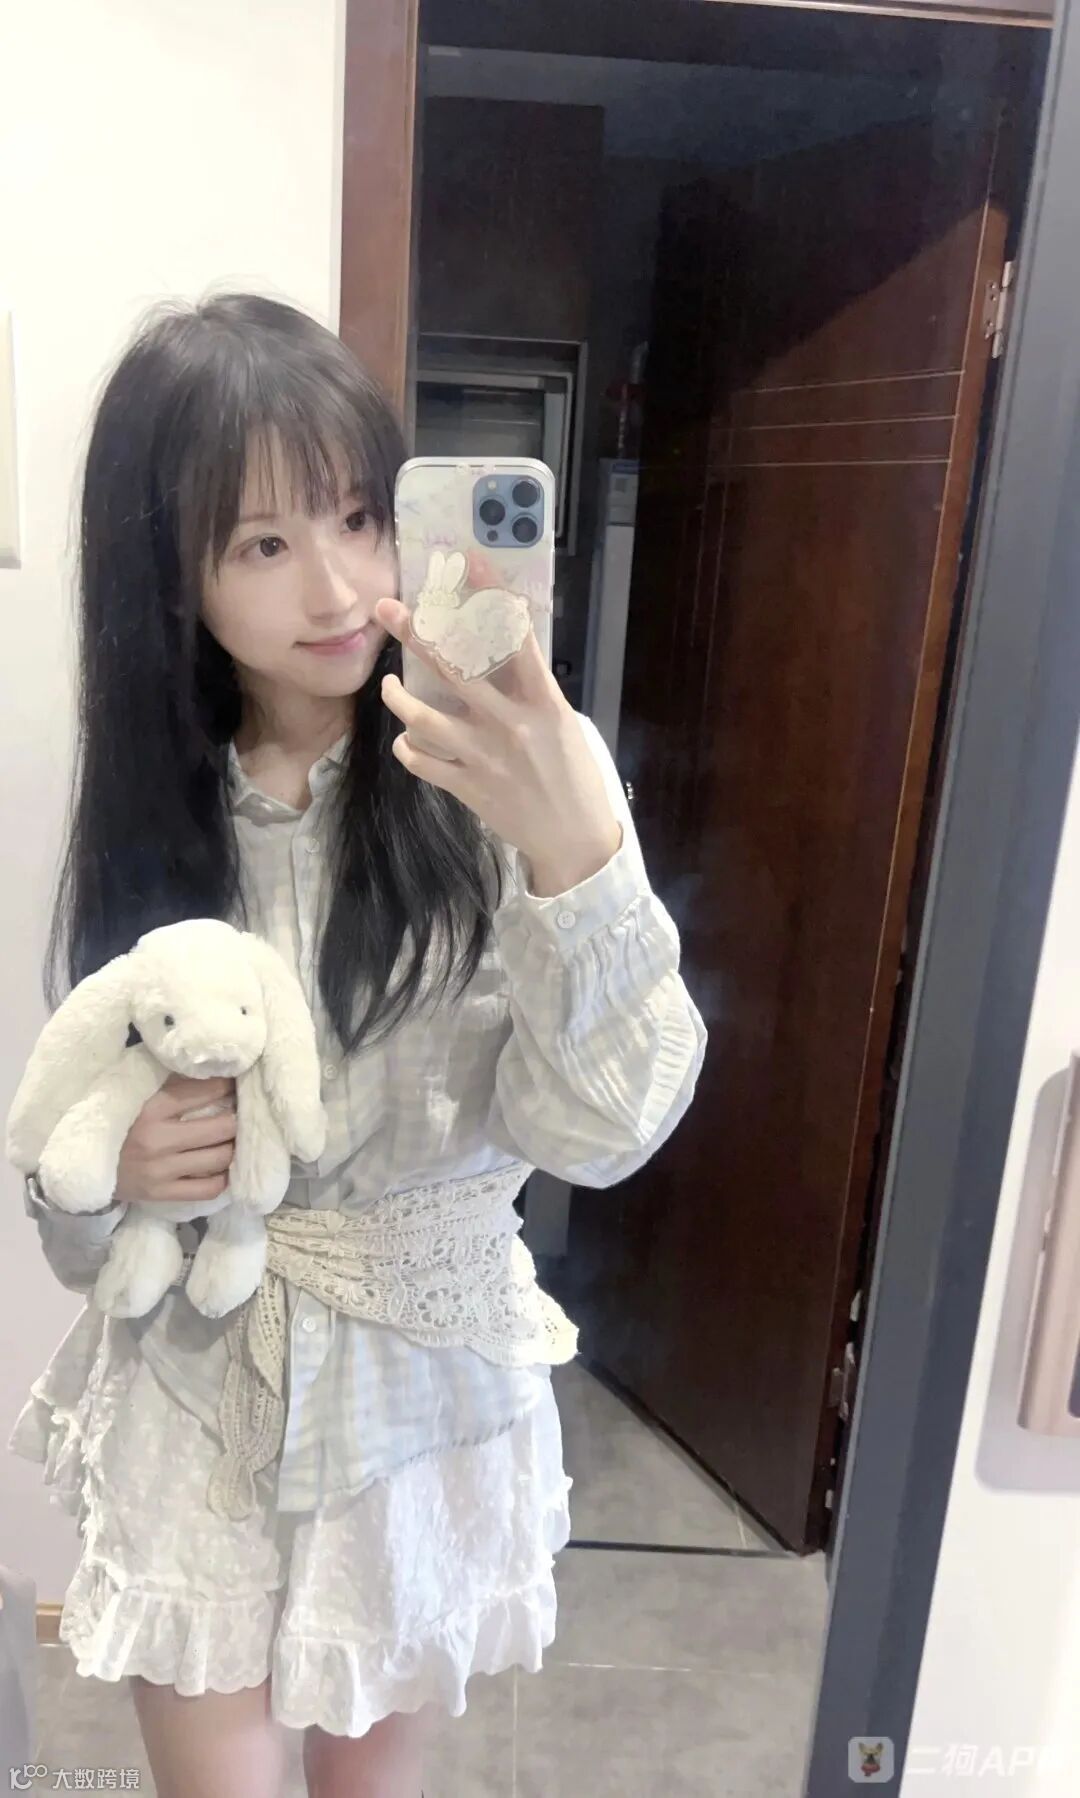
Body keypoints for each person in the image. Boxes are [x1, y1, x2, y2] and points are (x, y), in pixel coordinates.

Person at [10, 294, 705, 1798]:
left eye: (355, 515)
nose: (336, 583)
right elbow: (73, 1201)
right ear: (169, 572)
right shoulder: (161, 805)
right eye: (262, 543)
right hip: (199, 1384)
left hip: (418, 1396)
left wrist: (578, 856)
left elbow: (599, 1132)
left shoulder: (518, 772)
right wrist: (112, 1179)